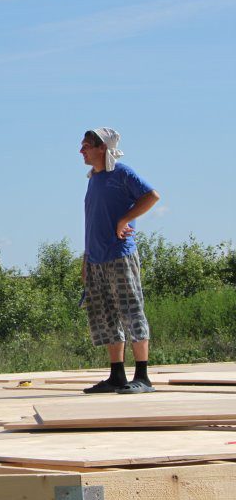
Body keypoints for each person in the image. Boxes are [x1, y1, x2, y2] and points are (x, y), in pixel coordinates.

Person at [80, 128, 160, 394]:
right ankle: (117, 375)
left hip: (119, 255)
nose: (82, 151)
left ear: (102, 147)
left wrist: (125, 219)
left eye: (86, 146)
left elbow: (151, 196)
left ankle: (143, 376)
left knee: (130, 311)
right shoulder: (94, 179)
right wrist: (86, 259)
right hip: (96, 259)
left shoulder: (122, 173)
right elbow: (92, 221)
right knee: (105, 316)